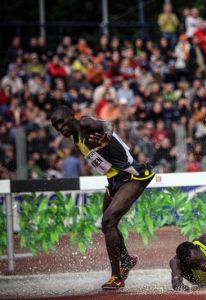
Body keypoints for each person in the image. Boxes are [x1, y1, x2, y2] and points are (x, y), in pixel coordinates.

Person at [50, 105, 154, 290]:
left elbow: (106, 124)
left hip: (130, 175)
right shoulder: (76, 139)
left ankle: (116, 276)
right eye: (56, 126)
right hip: (113, 181)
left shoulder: (85, 123)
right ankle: (126, 260)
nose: (59, 127)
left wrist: (107, 134)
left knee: (108, 221)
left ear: (71, 116)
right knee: (106, 225)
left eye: (61, 121)